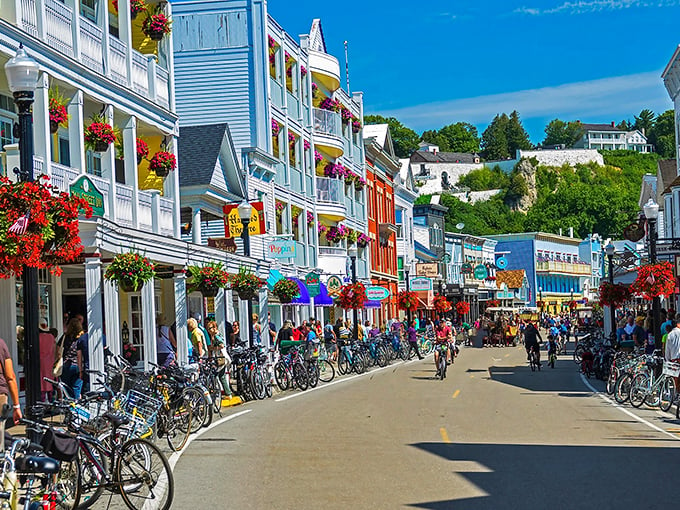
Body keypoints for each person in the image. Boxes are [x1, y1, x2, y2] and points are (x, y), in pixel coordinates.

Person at [206, 320, 232, 399]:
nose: (209, 330)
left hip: (220, 358)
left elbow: (222, 345)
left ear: (214, 327)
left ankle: (216, 393)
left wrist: (213, 348)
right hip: (221, 358)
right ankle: (228, 393)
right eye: (208, 328)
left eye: (210, 328)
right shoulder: (216, 335)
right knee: (222, 376)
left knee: (215, 375)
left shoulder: (216, 336)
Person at [61, 318, 86, 399]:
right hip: (76, 365)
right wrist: (81, 369)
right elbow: (80, 355)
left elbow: (58, 350)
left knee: (66, 388)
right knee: (77, 388)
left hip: (66, 365)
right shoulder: (81, 338)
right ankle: (76, 406)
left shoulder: (65, 337)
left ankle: (68, 406)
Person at [38, 319, 56, 402]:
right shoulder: (51, 337)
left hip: (40, 363)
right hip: (50, 363)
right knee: (49, 383)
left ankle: (43, 402)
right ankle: (51, 402)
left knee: (42, 384)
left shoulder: (37, 337)